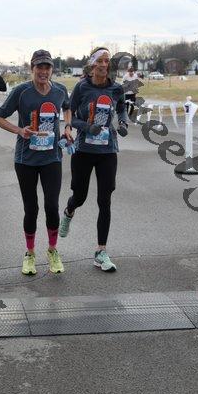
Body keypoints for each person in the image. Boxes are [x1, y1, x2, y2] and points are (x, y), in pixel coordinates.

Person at [0, 49, 73, 276]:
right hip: (26, 160)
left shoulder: (59, 90)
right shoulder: (21, 92)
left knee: (52, 206)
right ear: (32, 68)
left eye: (47, 67)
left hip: (52, 158)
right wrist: (20, 130)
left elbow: (67, 107)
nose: (43, 71)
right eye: (40, 67)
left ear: (52, 69)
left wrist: (68, 127)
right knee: (31, 208)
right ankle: (29, 254)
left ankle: (52, 250)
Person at [59, 46, 129, 272]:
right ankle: (69, 211)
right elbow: (70, 118)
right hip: (84, 151)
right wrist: (87, 127)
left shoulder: (116, 88)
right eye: (99, 60)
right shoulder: (82, 87)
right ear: (92, 64)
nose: (103, 64)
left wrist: (123, 122)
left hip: (107, 151)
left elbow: (122, 109)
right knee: (79, 196)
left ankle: (101, 251)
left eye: (107, 61)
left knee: (104, 200)